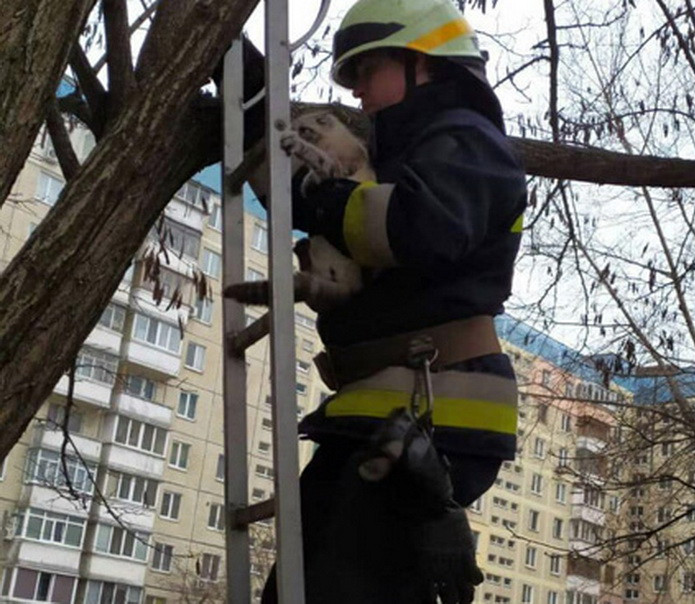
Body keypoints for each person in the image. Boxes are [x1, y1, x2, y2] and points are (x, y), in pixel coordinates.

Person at [261, 0, 526, 602]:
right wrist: (255, 90)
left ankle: (429, 504)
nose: (356, 94)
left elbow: (425, 227)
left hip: (435, 406)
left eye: (365, 72)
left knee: (331, 585)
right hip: (386, 409)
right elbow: (321, 190)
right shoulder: (403, 155)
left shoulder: (466, 138)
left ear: (422, 65)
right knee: (305, 583)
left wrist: (329, 204)